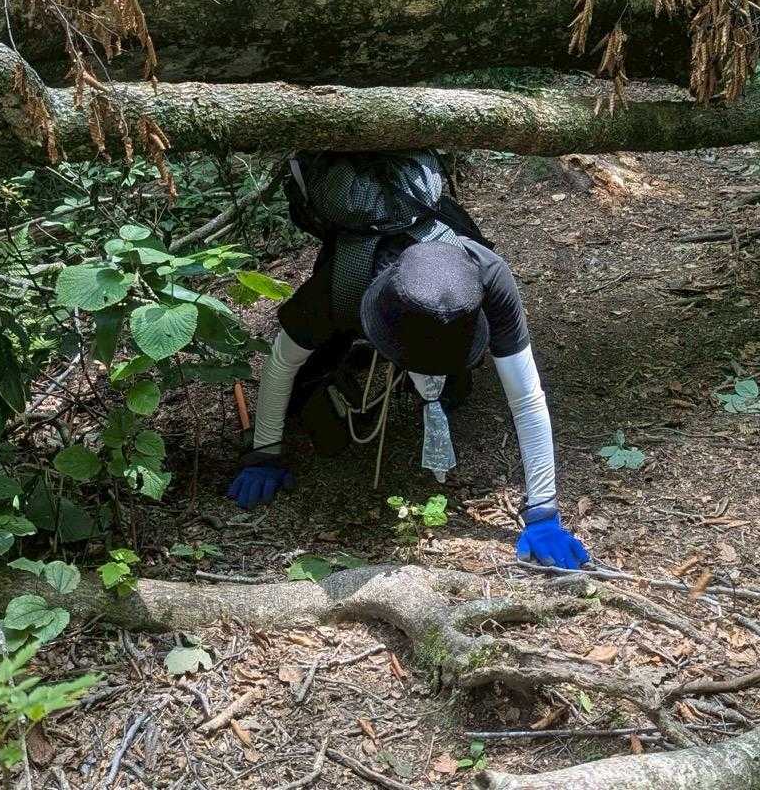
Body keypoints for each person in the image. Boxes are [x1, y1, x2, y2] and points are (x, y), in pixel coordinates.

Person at [225, 151, 590, 569]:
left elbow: (526, 397)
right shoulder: (339, 286)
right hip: (358, 292)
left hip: (437, 275)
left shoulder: (489, 275)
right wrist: (266, 452)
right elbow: (282, 362)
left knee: (455, 392)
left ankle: (449, 380)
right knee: (312, 385)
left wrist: (543, 509)